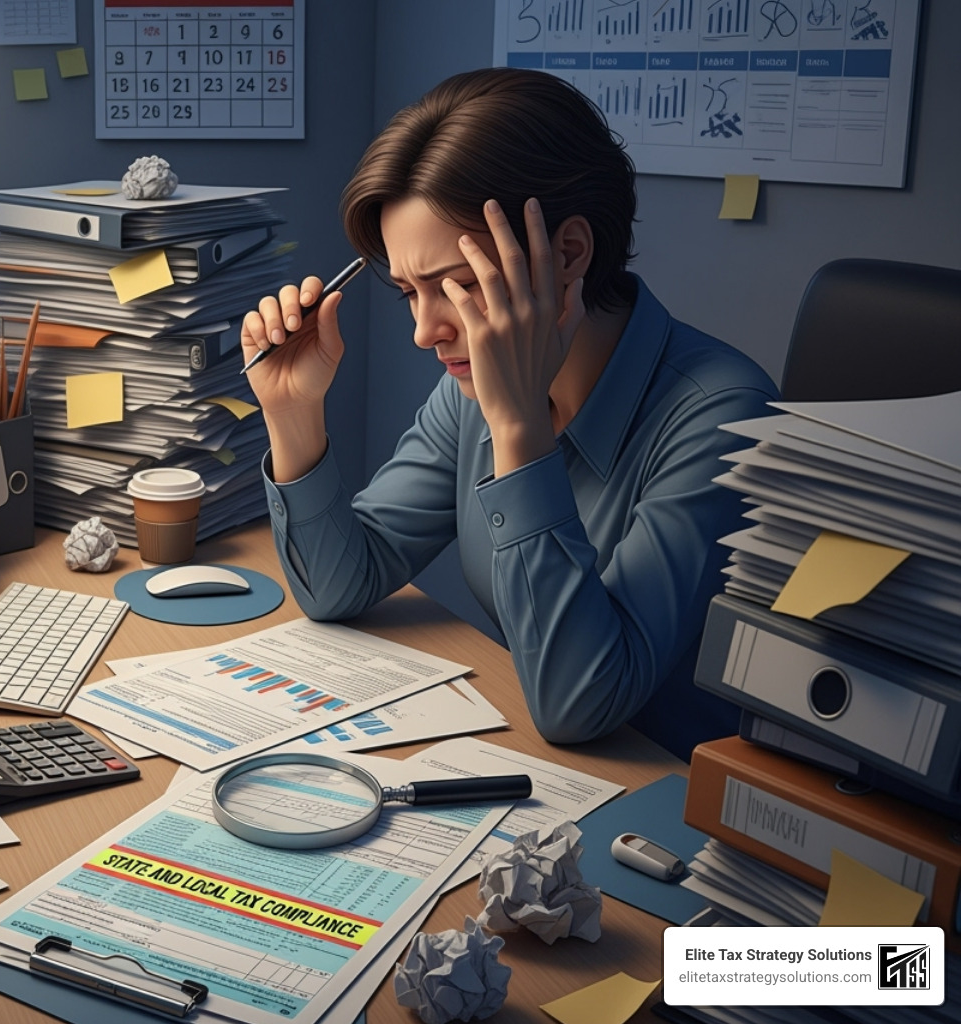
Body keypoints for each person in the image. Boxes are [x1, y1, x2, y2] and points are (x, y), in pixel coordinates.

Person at [241, 68, 778, 760]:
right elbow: (342, 583)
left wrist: (520, 427)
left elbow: (580, 704)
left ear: (569, 254)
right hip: (544, 767)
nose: (426, 330)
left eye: (460, 286)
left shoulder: (725, 418)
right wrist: (293, 413)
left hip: (673, 796)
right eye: (409, 293)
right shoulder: (469, 388)